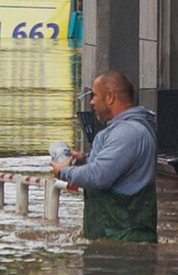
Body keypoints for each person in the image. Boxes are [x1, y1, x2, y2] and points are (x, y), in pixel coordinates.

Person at [50, 70, 157, 242]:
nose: (91, 102)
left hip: (123, 244)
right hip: (115, 240)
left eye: (94, 95)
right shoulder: (123, 131)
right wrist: (85, 160)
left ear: (110, 97)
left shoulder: (127, 133)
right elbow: (110, 169)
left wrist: (64, 172)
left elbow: (99, 176)